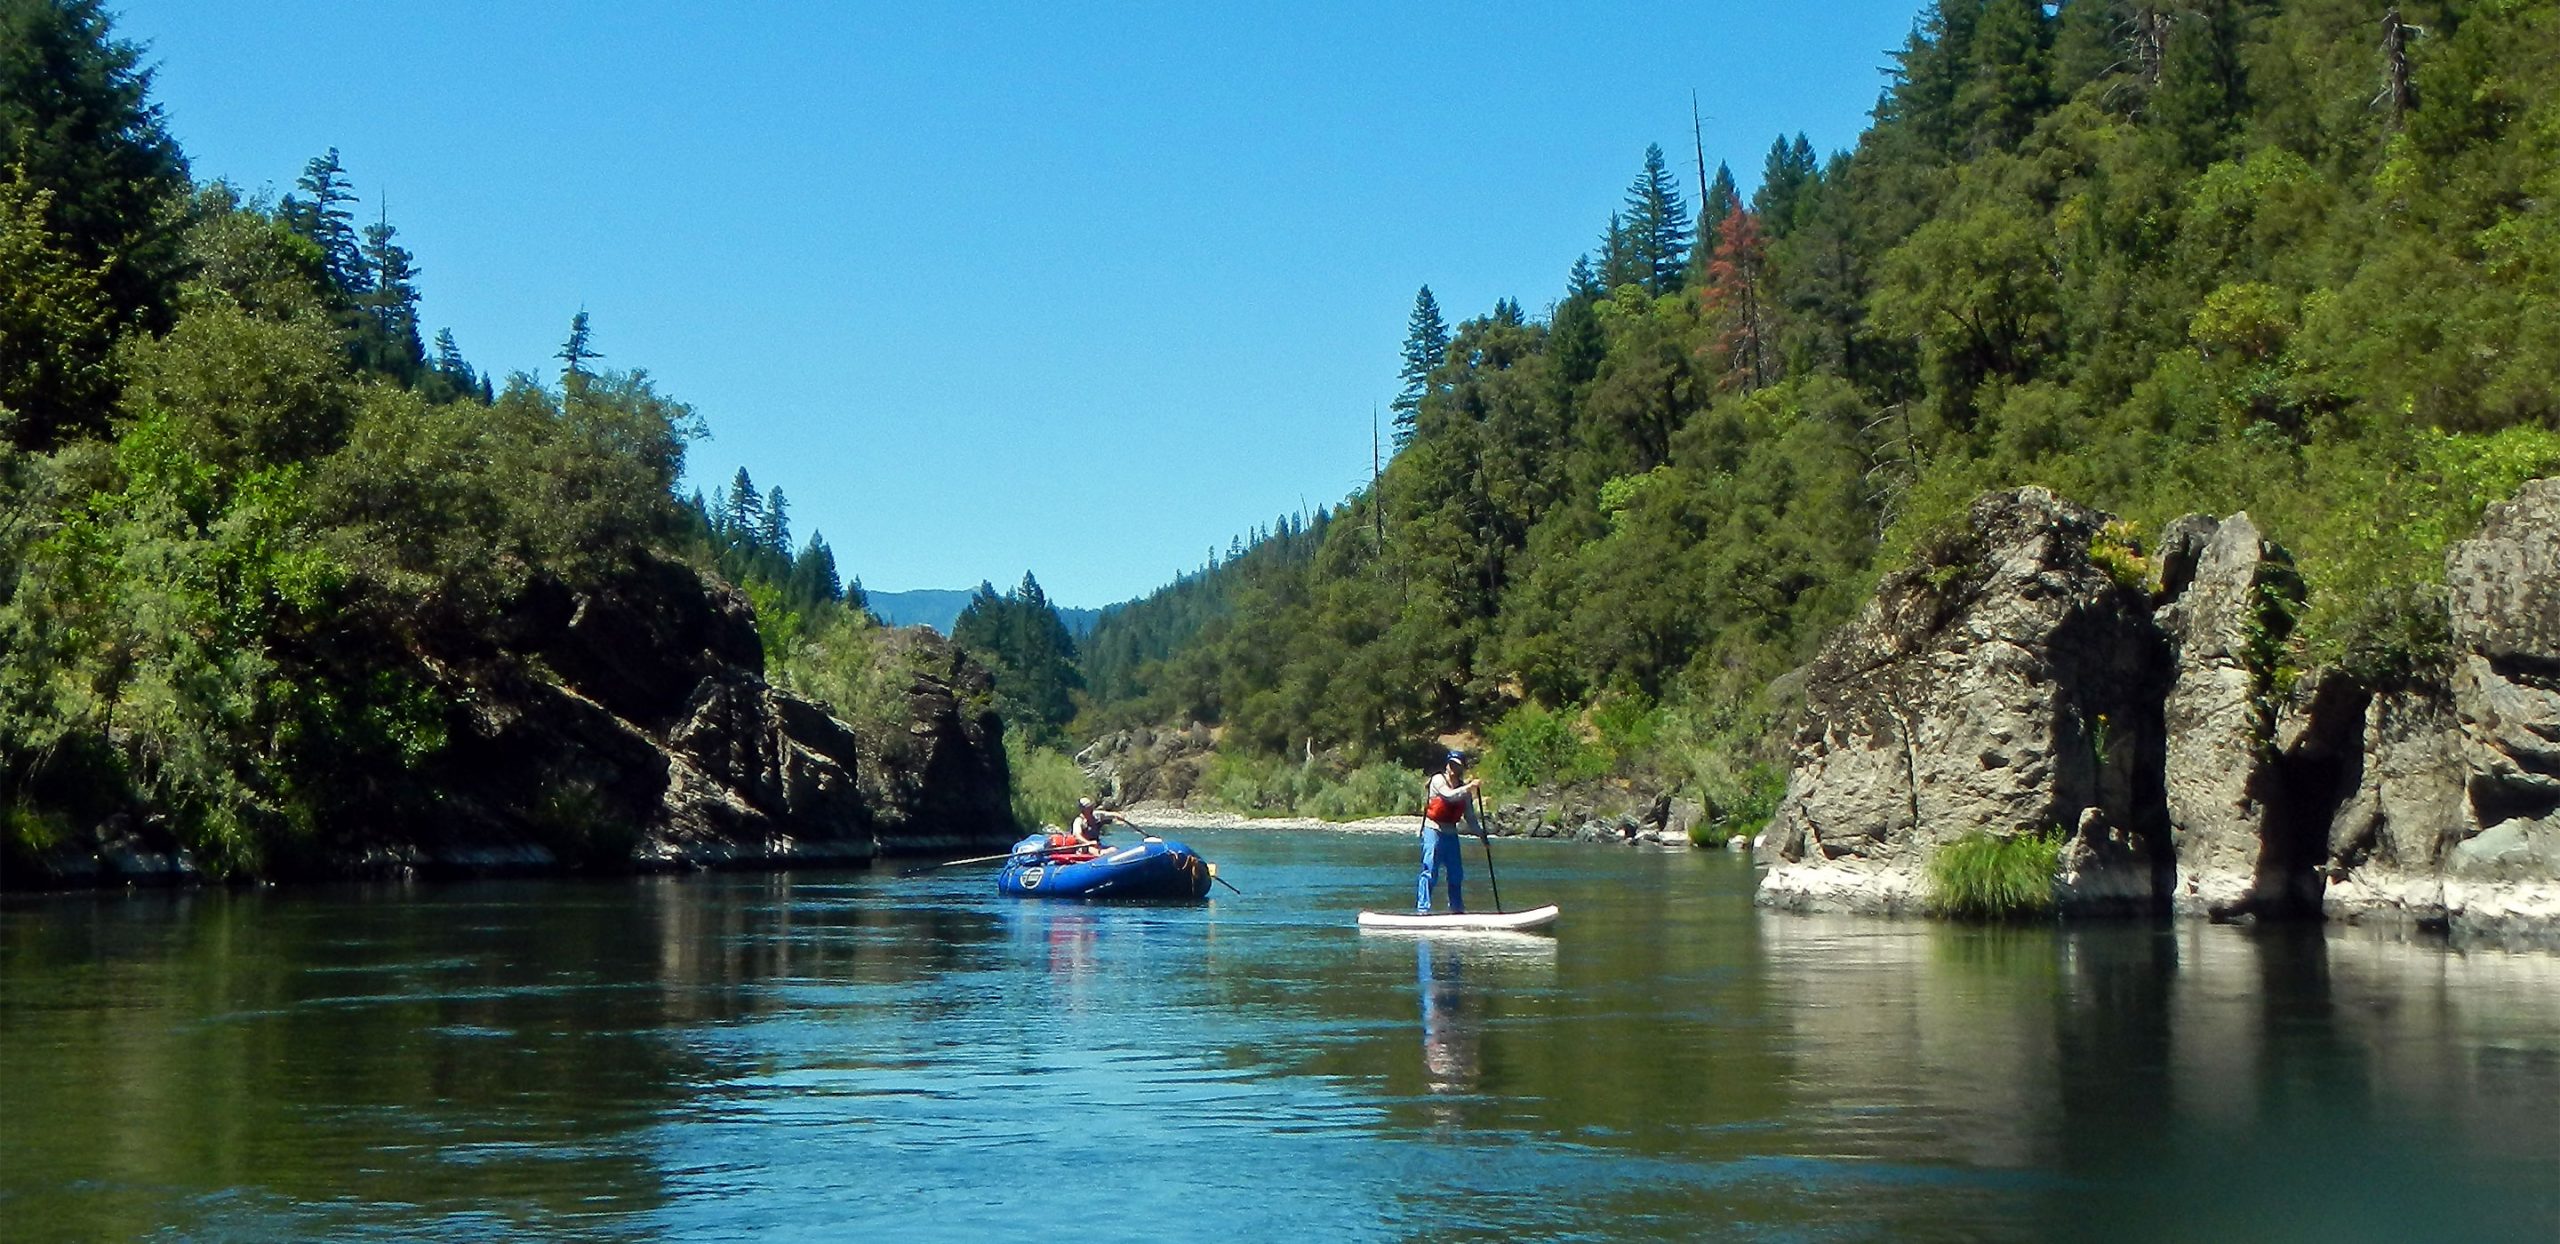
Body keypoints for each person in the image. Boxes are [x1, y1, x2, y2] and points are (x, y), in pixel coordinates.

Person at [1417, 750, 1483, 914]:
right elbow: (1448, 796)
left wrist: (1482, 835)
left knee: (1456, 874)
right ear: (1447, 765)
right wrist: (1469, 787)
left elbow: (1470, 817)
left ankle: (1457, 909)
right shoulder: (1438, 780)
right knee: (1430, 871)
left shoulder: (1464, 791)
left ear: (1462, 769)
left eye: (1458, 766)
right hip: (1433, 830)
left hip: (1451, 833)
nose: (1454, 768)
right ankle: (1423, 909)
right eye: (1452, 765)